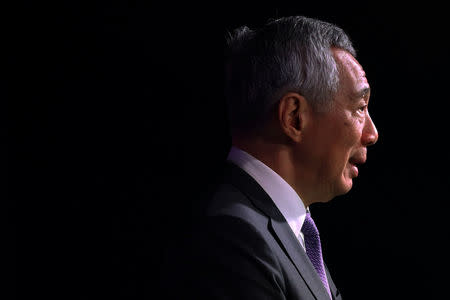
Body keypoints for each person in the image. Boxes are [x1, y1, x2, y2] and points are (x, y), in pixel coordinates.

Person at [162, 15, 378, 300]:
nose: (372, 133)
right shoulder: (233, 236)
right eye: (360, 108)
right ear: (294, 117)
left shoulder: (291, 229)